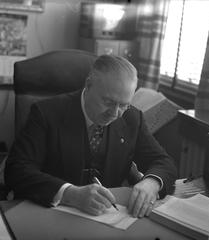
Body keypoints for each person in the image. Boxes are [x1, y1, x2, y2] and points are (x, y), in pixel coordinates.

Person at [5, 54, 177, 218]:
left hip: (105, 217)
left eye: (124, 105)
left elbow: (163, 161)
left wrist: (152, 183)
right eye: (108, 102)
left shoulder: (133, 118)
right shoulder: (46, 113)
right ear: (88, 85)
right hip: (49, 213)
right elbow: (16, 169)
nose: (115, 113)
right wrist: (70, 194)